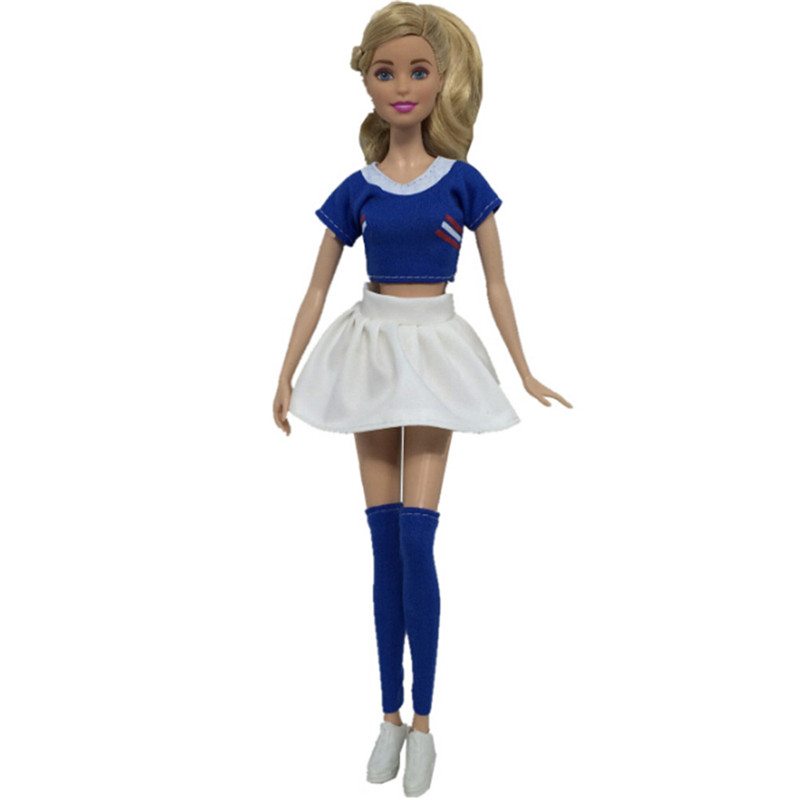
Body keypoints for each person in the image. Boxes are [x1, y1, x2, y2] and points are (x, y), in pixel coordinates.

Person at [273, 3, 571, 795]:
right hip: (370, 350)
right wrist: (285, 372)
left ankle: (428, 724)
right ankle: (388, 716)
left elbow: (499, 285)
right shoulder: (356, 189)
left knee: (416, 541)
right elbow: (315, 287)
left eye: (417, 71)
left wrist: (525, 369)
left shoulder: (464, 184)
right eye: (386, 72)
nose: (402, 86)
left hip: (434, 350)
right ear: (367, 83)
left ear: (443, 82)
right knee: (381, 545)